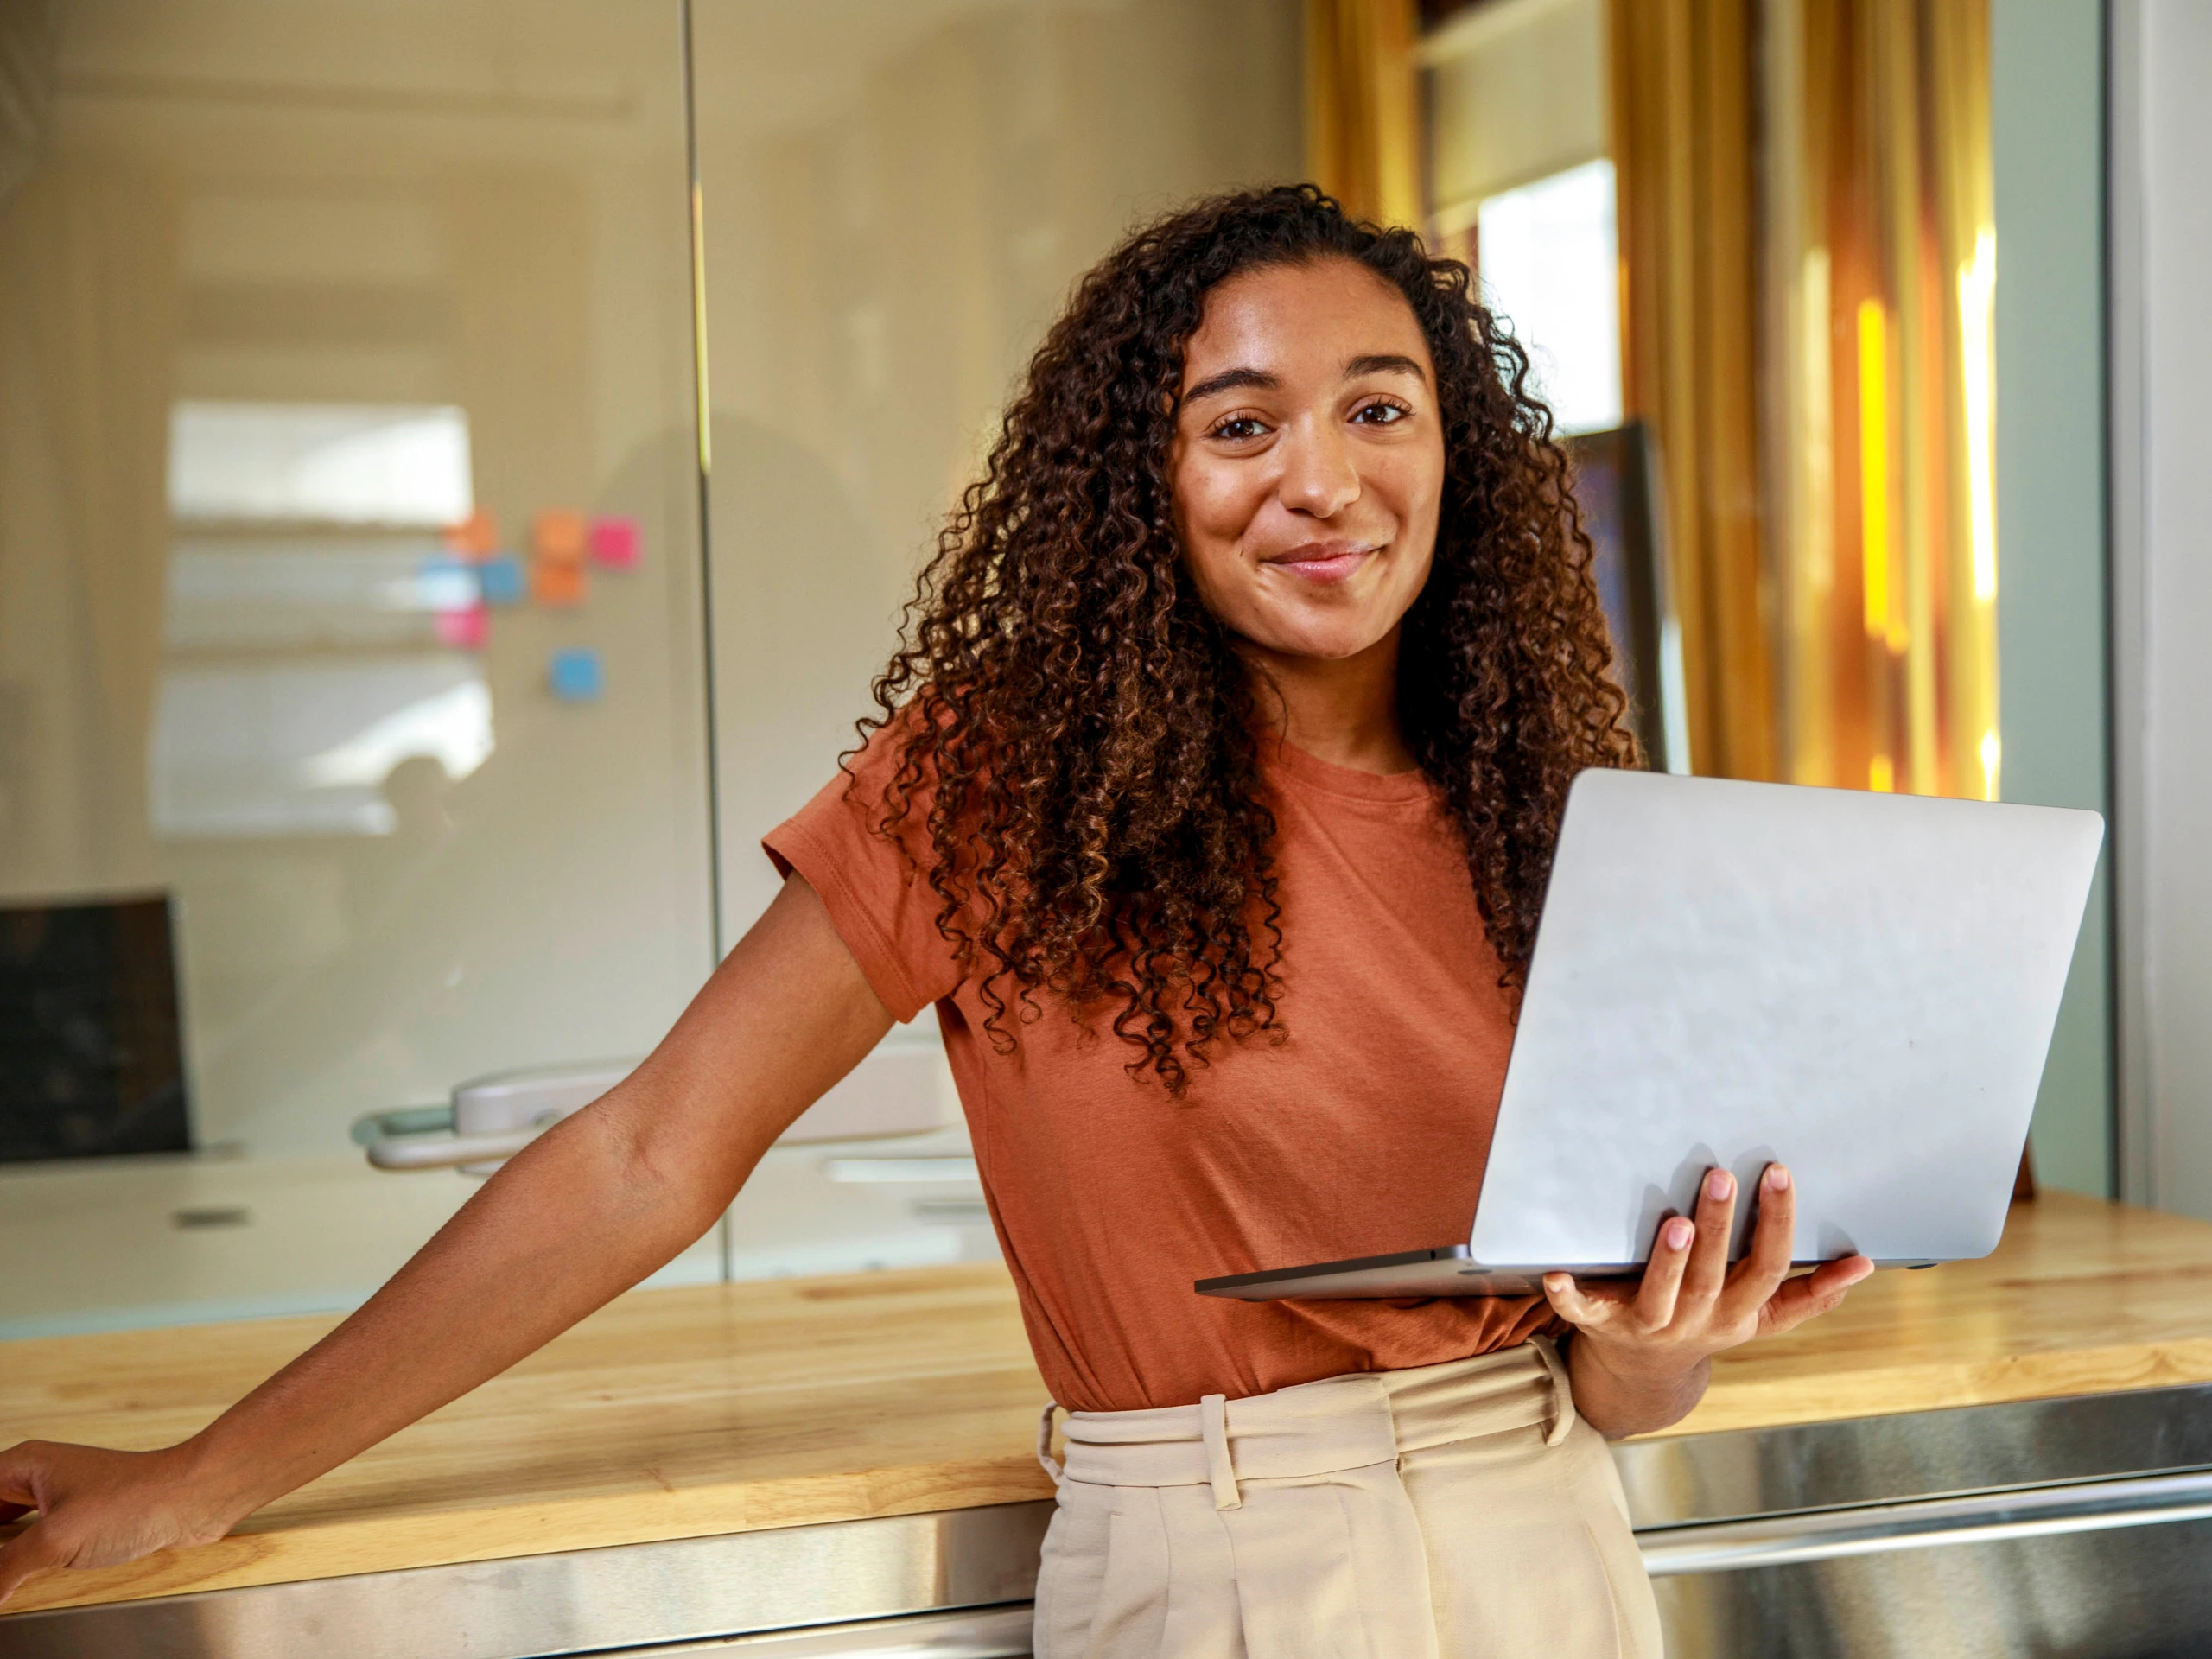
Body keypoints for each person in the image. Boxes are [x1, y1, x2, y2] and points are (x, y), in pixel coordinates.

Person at [0, 187, 1872, 1654]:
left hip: (1548, 1544)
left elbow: (1611, 1388)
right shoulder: (1002, 782)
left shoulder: (1544, 823)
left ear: (1452, 450)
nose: (1322, 478)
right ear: (1141, 483)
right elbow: (650, 1156)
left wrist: (1654, 1337)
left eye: (1378, 408)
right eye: (1239, 423)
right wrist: (201, 1474)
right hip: (1221, 1567)